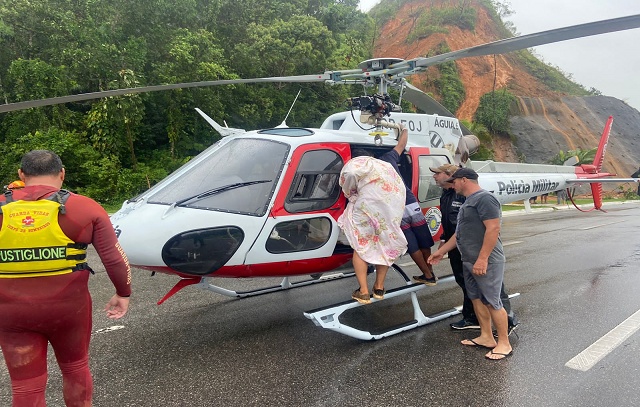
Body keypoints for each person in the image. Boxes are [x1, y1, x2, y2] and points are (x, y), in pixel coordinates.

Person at [0, 150, 132, 406]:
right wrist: (122, 293)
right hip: (69, 310)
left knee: (25, 387)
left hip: (11, 314)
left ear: (21, 175)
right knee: (75, 369)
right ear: (62, 173)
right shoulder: (84, 207)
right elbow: (114, 258)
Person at [428, 168, 512, 360]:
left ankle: (504, 343)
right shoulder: (468, 202)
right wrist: (441, 251)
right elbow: (459, 233)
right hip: (469, 260)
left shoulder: (485, 199)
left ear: (464, 179)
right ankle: (486, 337)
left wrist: (482, 258)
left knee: (492, 301)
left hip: (487, 261)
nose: (452, 184)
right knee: (476, 298)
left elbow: (493, 228)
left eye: (454, 181)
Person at [337, 153, 407, 304]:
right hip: (391, 207)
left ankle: (363, 291)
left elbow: (350, 173)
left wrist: (349, 192)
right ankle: (379, 287)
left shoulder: (359, 162)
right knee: (385, 243)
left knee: (361, 244)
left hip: (369, 206)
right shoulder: (386, 166)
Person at [377, 123, 437, 286]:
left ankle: (427, 274)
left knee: (412, 244)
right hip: (411, 203)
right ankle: (430, 272)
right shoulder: (388, 158)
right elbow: (402, 144)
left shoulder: (365, 170)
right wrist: (404, 129)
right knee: (424, 239)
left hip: (396, 210)